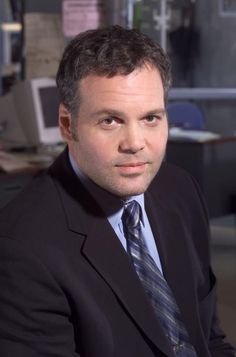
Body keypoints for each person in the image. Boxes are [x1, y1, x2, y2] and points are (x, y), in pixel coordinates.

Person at [0, 25, 234, 357]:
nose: (135, 144)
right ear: (67, 125)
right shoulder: (20, 247)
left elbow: (209, 339)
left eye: (151, 118)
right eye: (110, 121)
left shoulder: (181, 189)